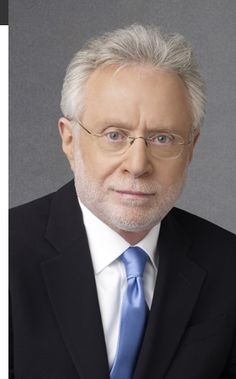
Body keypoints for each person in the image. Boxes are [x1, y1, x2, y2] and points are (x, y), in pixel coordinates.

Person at [10, 24, 236, 379]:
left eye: (163, 138)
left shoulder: (228, 265)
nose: (137, 165)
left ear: (190, 149)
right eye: (115, 135)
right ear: (70, 141)